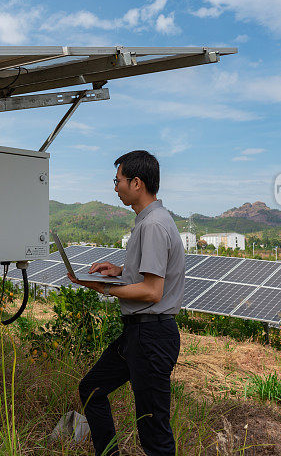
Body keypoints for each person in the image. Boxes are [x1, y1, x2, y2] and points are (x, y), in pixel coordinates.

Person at [67, 150, 185, 456]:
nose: (114, 187)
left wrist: (104, 289)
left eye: (117, 180)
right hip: (140, 334)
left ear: (136, 183)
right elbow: (149, 275)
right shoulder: (148, 221)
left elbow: (152, 291)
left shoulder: (154, 225)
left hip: (152, 336)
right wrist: (119, 272)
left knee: (153, 431)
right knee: (92, 389)